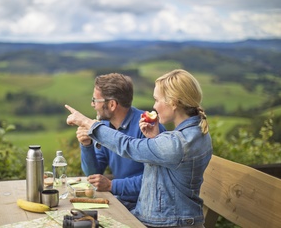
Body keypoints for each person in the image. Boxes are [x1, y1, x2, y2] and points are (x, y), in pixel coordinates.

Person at [65, 69, 212, 228]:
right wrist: (155, 139)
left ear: (174, 102)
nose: (154, 106)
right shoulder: (187, 135)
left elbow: (129, 146)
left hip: (167, 222)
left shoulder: (180, 142)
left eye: (156, 100)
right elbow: (164, 172)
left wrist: (89, 124)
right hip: (157, 216)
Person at [75, 72, 165, 211]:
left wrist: (112, 185)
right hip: (121, 201)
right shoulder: (105, 127)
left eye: (95, 100)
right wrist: (87, 145)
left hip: (145, 206)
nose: (92, 104)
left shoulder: (148, 127)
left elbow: (155, 180)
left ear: (112, 104)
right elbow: (93, 173)